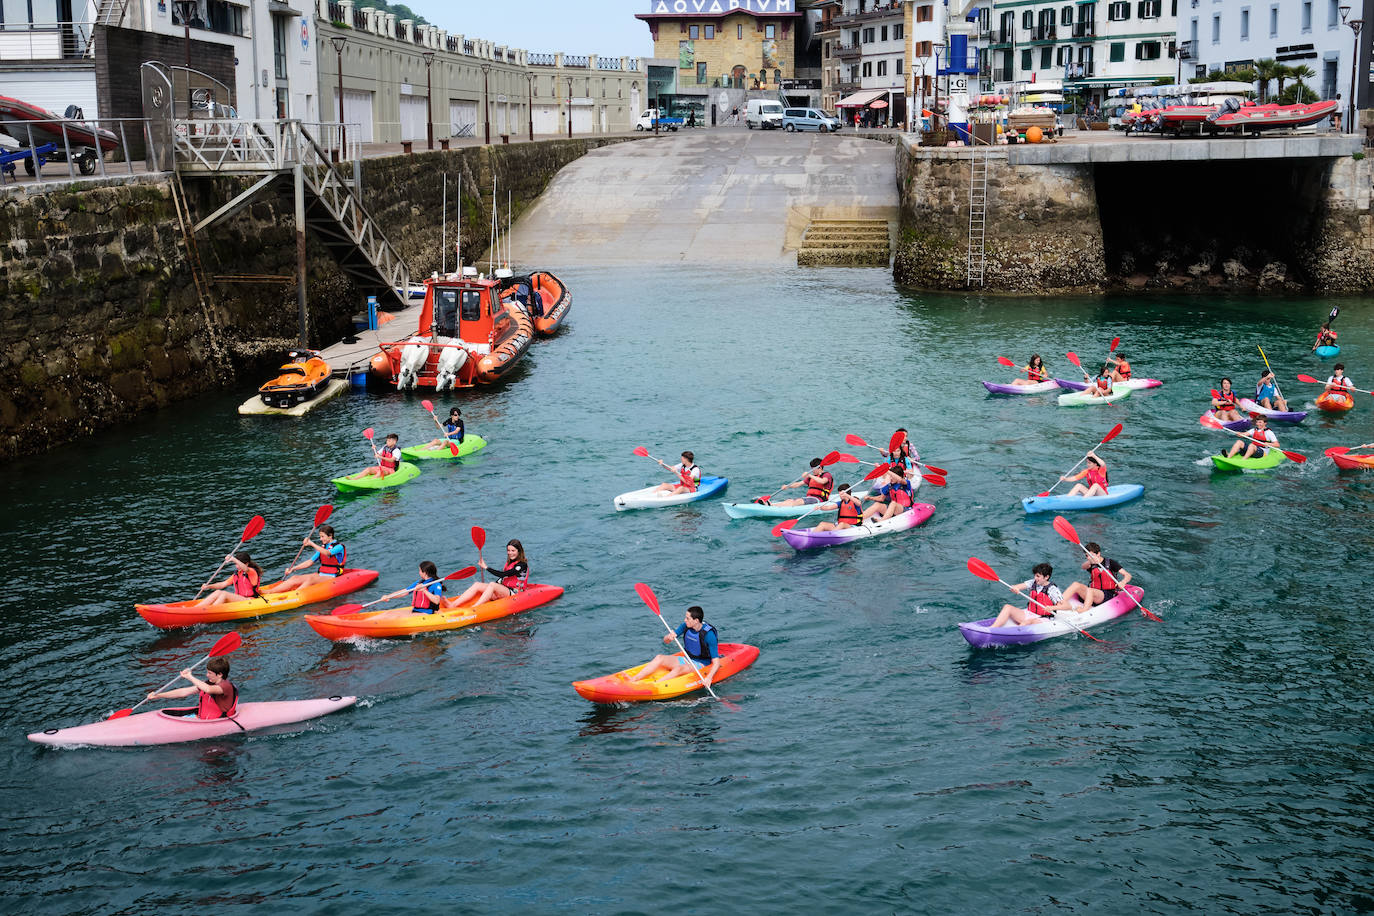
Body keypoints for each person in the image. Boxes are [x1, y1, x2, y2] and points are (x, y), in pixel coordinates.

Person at [626, 606, 721, 687]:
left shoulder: (709, 635)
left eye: (687, 618)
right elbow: (665, 641)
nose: (685, 620)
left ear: (696, 620)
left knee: (678, 669)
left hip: (701, 663)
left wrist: (709, 678)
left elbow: (716, 662)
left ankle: (654, 686)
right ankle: (633, 680)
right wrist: (669, 637)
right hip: (687, 658)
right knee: (660, 658)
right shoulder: (686, 625)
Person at [147, 656, 238, 719]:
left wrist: (189, 676)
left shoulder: (226, 686)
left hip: (219, 720)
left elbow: (209, 690)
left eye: (210, 673)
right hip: (202, 718)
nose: (207, 675)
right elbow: (184, 692)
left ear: (220, 674)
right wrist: (158, 695)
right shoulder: (208, 683)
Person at [264, 525, 347, 593]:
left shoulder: (339, 547)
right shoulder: (323, 547)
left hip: (333, 576)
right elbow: (309, 562)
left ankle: (293, 595)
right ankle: (271, 591)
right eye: (320, 537)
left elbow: (327, 553)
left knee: (310, 579)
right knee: (295, 577)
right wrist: (293, 568)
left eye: (322, 536)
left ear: (330, 536)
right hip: (321, 574)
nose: (320, 539)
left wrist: (311, 543)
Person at [447, 539, 529, 608]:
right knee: (477, 585)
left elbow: (503, 574)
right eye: (508, 550)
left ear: (519, 551)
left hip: (515, 593)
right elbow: (503, 579)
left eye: (513, 550)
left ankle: (475, 608)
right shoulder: (509, 563)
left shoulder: (522, 565)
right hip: (504, 590)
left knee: (492, 584)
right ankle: (453, 605)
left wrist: (486, 567)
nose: (510, 553)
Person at [990, 563, 1070, 628]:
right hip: (1030, 613)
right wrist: (1015, 588)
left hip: (1044, 618)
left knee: (1027, 622)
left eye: (1038, 576)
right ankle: (992, 629)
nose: (1035, 578)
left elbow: (1067, 606)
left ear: (1046, 577)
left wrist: (1052, 608)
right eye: (1035, 575)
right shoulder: (1033, 582)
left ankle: (1014, 634)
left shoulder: (1052, 589)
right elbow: (1016, 586)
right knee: (1007, 607)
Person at [1062, 542, 1132, 614]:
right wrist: (1091, 561)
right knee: (1075, 584)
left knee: (1090, 590)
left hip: (1106, 595)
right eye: (1087, 556)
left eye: (1091, 555)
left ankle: (1084, 610)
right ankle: (1060, 602)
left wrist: (1123, 582)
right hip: (1093, 593)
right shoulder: (1090, 564)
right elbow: (1083, 566)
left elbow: (1128, 575)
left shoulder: (1111, 563)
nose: (1088, 557)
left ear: (1098, 554)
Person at [194, 552, 263, 607]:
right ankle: (196, 608)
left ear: (247, 563)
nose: (237, 566)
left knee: (224, 594)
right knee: (218, 592)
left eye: (238, 564)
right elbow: (223, 584)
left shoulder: (251, 572)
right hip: (239, 599)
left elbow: (246, 569)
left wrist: (233, 559)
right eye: (235, 564)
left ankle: (209, 611)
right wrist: (208, 586)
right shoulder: (238, 574)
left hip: (250, 600)